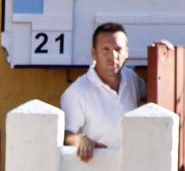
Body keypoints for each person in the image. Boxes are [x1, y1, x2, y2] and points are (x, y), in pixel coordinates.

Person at [60, 22, 146, 163]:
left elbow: (154, 94)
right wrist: (80, 140)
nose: (112, 56)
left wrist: (167, 57)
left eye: (118, 49)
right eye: (105, 49)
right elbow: (65, 135)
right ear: (94, 54)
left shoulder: (131, 78)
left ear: (126, 53)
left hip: (133, 168)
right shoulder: (76, 92)